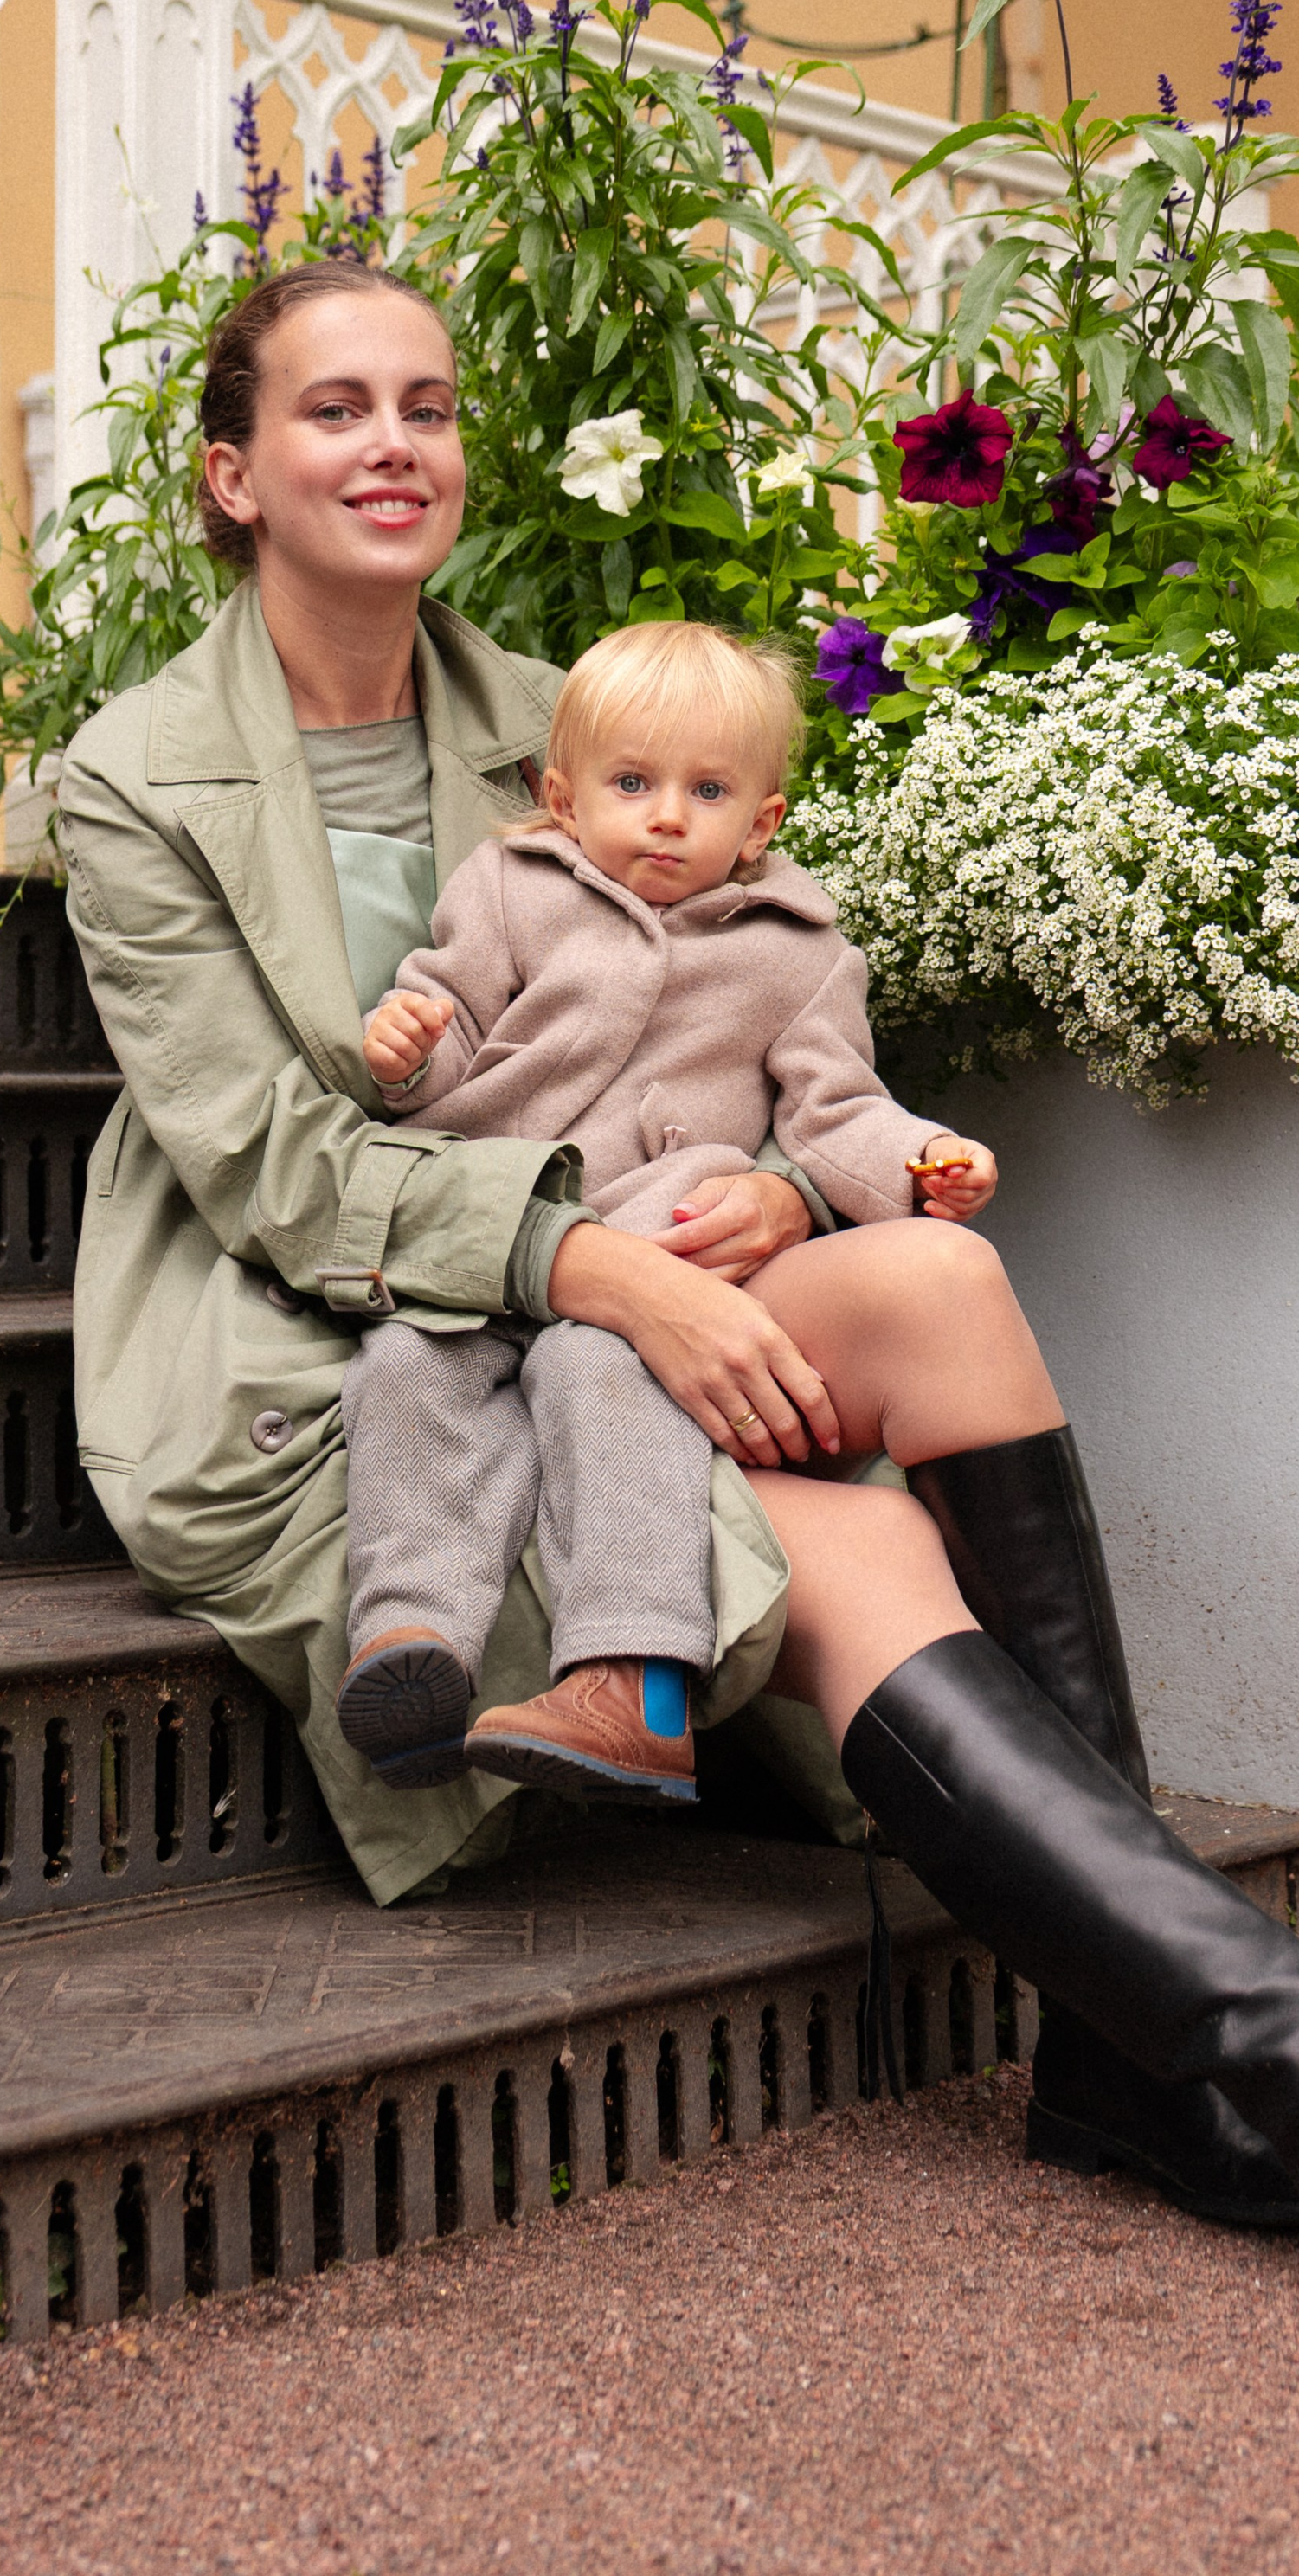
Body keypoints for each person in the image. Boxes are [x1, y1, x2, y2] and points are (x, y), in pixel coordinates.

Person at [58, 254, 1299, 2321]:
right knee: (847, 1551)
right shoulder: (136, 777)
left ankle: (1191, 2063)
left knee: (927, 1267)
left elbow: (720, 1026)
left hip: (605, 1272)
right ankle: (1256, 2064)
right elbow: (267, 1165)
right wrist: (607, 1272)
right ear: (232, 472)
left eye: (425, 401)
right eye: (333, 409)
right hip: (339, 1351)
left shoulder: (562, 722)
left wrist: (766, 1191)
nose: (391, 443)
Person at [338, 615, 993, 1806]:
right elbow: (448, 1041)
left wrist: (922, 1158)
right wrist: (403, 1055)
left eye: (707, 790)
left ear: (764, 822)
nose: (667, 816)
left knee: (610, 1381)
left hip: (656, 1268)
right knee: (401, 1370)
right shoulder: (510, 886)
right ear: (562, 796)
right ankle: (410, 1641)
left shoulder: (795, 952)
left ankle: (633, 1683)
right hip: (493, 1244)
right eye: (631, 784)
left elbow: (835, 1113)